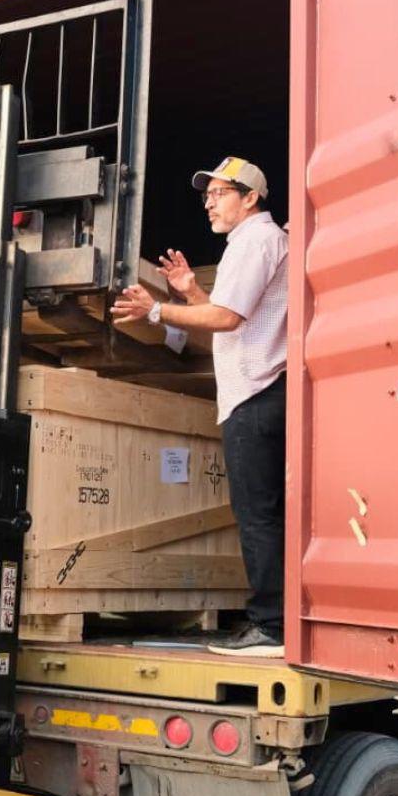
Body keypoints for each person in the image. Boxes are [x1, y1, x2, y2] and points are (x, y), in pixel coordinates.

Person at [111, 156, 288, 657]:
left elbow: (229, 319)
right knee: (263, 511)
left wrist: (157, 309)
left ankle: (272, 626)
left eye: (219, 192)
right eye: (206, 193)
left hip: (256, 393)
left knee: (258, 514)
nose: (208, 201)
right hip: (258, 391)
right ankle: (275, 619)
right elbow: (240, 317)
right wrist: (192, 292)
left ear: (250, 197)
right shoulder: (255, 243)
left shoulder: (256, 241)